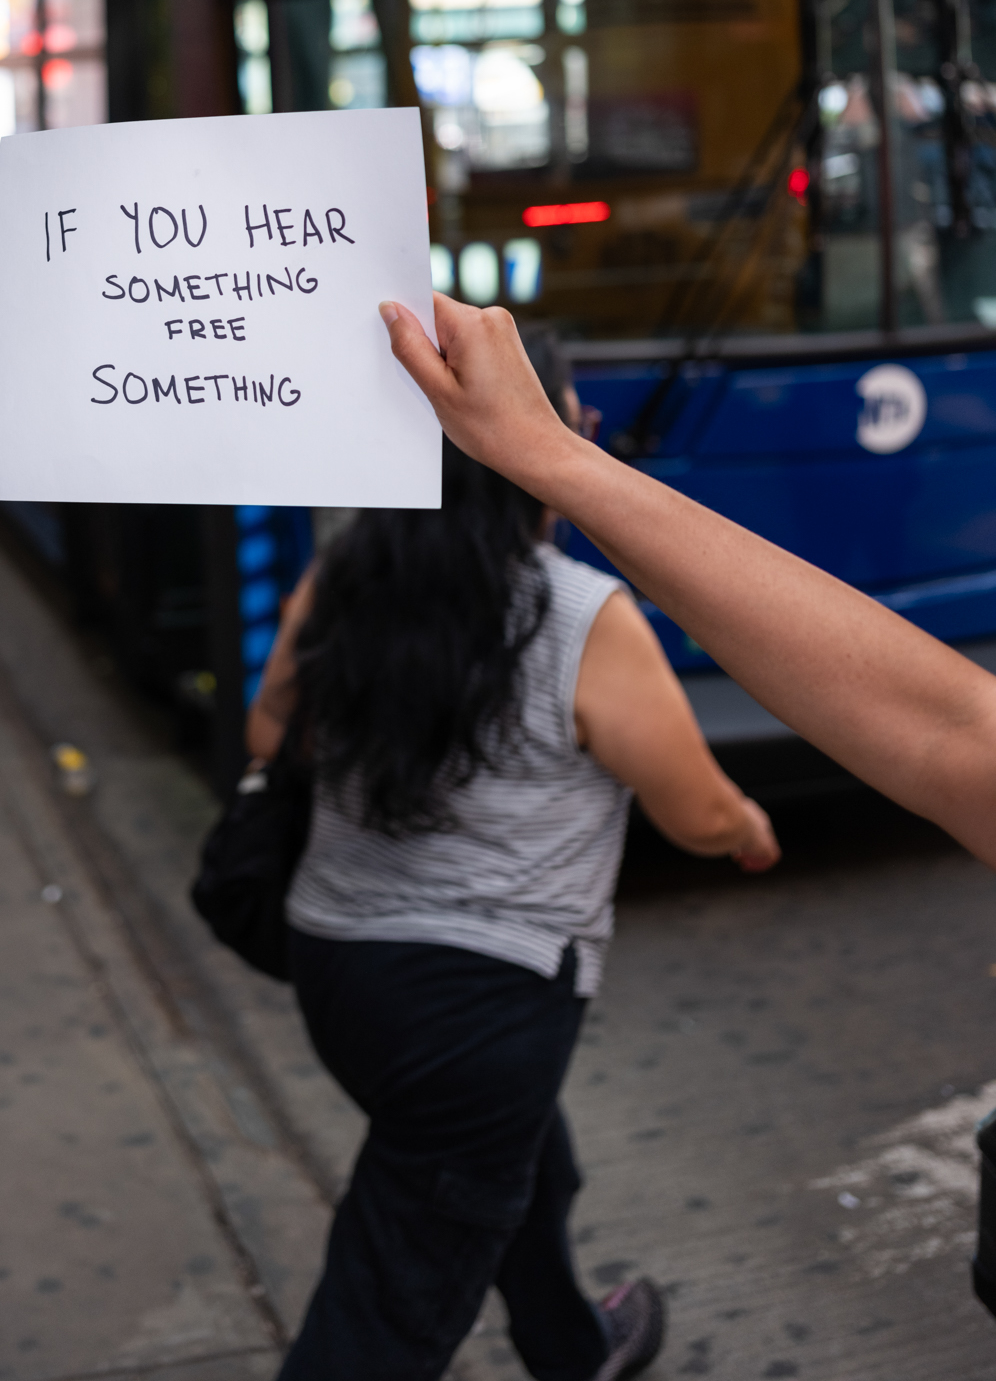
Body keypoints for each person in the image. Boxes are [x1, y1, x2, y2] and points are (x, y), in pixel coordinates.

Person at [246, 333, 780, 1381]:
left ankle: (571, 1347)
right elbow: (693, 808)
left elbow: (271, 735)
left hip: (335, 966)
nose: (582, 428)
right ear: (525, 441)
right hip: (481, 1009)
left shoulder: (349, 574)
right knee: (389, 1297)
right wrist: (747, 828)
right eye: (572, 417)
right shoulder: (582, 616)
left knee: (520, 1159)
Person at [377, 295, 996, 873]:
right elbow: (950, 732)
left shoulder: (350, 581)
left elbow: (951, 730)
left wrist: (547, 454)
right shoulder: (586, 613)